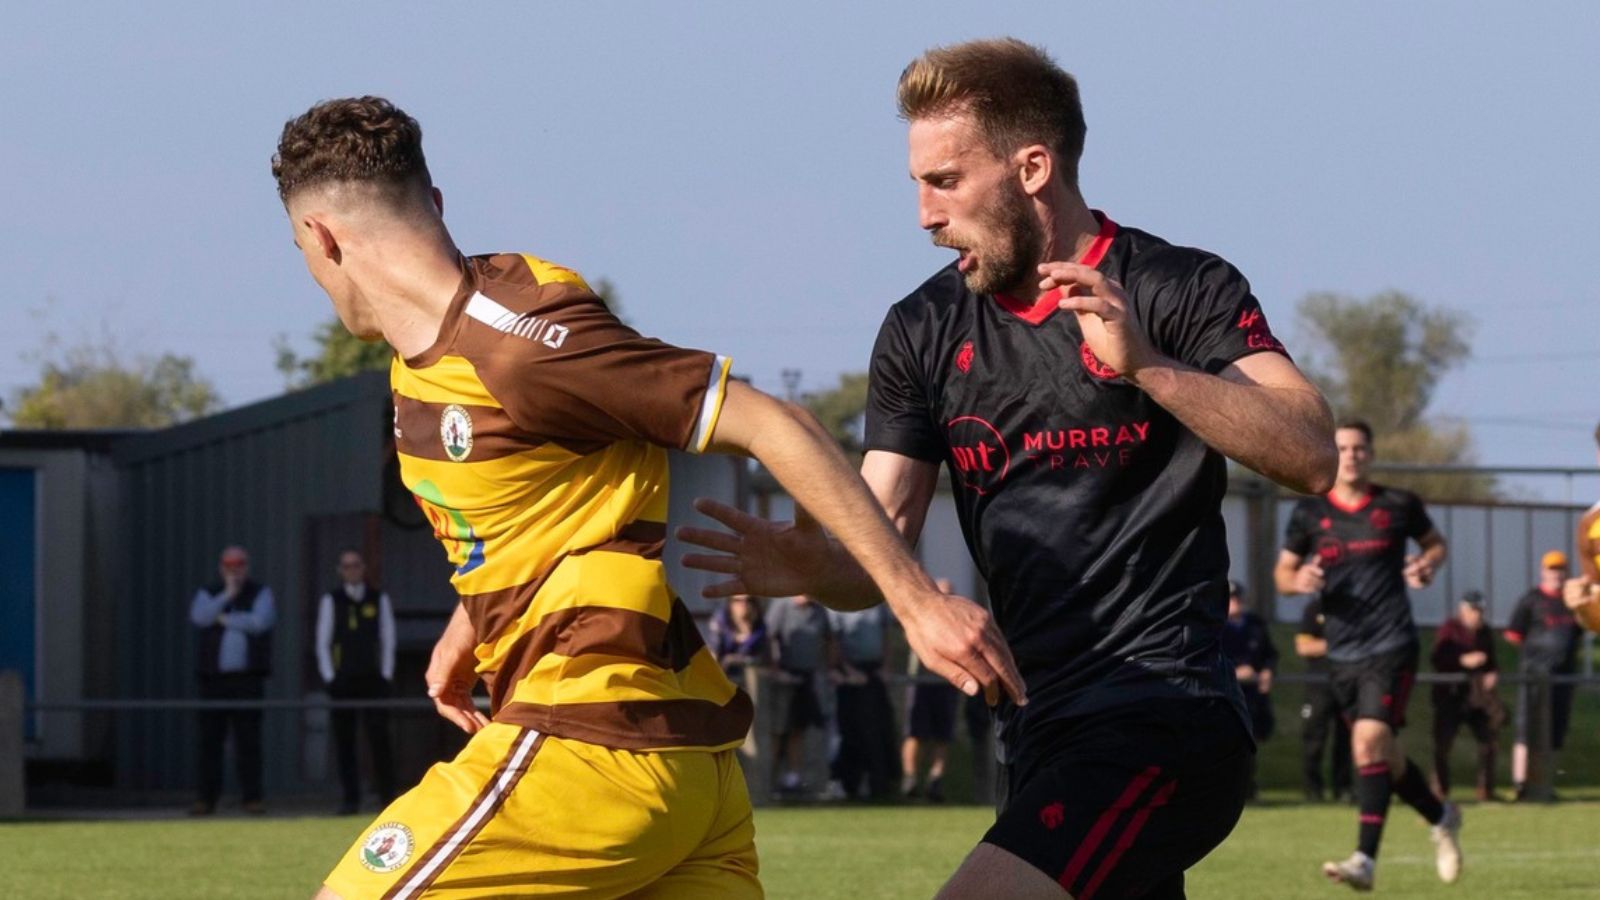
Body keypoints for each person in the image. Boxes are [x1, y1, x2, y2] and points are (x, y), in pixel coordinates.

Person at [274, 97, 1021, 900]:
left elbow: (774, 423)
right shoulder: (437, 352)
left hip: (597, 748)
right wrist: (472, 626)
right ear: (437, 204)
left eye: (301, 254)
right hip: (687, 767)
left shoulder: (519, 341)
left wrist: (915, 602)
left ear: (321, 238)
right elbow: (559, 500)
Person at [682, 38, 1337, 899]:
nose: (922, 212)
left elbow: (1313, 452)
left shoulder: (1177, 286)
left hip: (1162, 716)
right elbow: (877, 548)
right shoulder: (921, 329)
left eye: (945, 181)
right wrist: (816, 563)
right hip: (1031, 729)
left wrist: (1149, 367)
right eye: (917, 183)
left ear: (1032, 167)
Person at [1276, 420, 1458, 889]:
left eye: (1359, 448)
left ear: (1372, 453)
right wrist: (1299, 583)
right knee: (1385, 753)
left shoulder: (1398, 504)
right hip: (1342, 651)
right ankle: (1441, 816)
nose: (1351, 455)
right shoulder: (1309, 513)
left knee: (1367, 742)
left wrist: (1426, 565)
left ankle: (1364, 861)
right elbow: (1283, 574)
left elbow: (1436, 545)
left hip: (1391, 643)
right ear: (1331, 454)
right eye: (1342, 448)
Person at [188, 545, 275, 816]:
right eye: (229, 566)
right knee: (209, 742)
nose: (234, 571)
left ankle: (252, 798)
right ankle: (206, 799)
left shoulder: (261, 593)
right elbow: (200, 617)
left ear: (246, 567)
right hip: (213, 680)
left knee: (248, 741)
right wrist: (227, 596)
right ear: (221, 568)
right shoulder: (210, 591)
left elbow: (260, 622)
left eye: (238, 566)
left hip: (247, 680)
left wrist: (225, 618)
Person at [314, 550, 398, 815]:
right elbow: (323, 642)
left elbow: (387, 638)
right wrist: (330, 677)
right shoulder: (332, 600)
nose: (352, 570)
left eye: (356, 565)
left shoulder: (378, 598)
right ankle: (351, 799)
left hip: (372, 680)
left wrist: (385, 674)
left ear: (363, 569)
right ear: (340, 570)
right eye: (346, 566)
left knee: (379, 739)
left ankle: (387, 798)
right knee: (345, 741)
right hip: (343, 681)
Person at [1506, 551, 1584, 800]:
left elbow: (1583, 630)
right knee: (1526, 730)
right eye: (1552, 569)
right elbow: (1514, 635)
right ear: (1543, 571)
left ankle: (1545, 785)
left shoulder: (1572, 603)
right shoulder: (1532, 599)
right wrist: (1536, 657)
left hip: (1563, 677)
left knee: (1555, 732)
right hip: (1534, 677)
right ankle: (1521, 784)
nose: (1556, 574)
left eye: (1560, 569)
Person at [1429, 591, 1503, 802]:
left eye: (1480, 611)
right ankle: (1439, 790)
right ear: (1462, 610)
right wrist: (1462, 660)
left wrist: (1492, 673)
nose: (1477, 615)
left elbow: (1491, 661)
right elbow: (1437, 657)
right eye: (1473, 610)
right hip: (1450, 695)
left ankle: (1485, 790)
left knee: (1489, 741)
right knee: (1442, 744)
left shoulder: (1485, 633)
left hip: (1477, 697)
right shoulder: (1449, 630)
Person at [826, 602, 900, 800]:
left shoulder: (878, 603)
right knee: (851, 731)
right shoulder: (836, 603)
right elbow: (834, 641)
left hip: (874, 674)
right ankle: (850, 783)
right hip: (849, 677)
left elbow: (887, 637)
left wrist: (886, 667)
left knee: (879, 730)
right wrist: (847, 670)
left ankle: (880, 783)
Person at [765, 594, 834, 799]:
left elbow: (829, 640)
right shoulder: (781, 605)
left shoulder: (819, 609)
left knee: (799, 728)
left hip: (809, 678)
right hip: (783, 678)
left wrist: (829, 668)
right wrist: (776, 670)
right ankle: (769, 779)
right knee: (778, 729)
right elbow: (769, 637)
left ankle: (795, 778)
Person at [1220, 581, 1278, 801]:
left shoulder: (1255, 624)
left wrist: (1267, 672)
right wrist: (1234, 672)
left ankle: (1249, 788)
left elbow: (1270, 654)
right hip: (1226, 695)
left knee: (1251, 742)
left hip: (1253, 696)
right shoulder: (1215, 626)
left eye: (1237, 598)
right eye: (1230, 598)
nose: (1235, 602)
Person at [1296, 596, 1353, 803]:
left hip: (1347, 683)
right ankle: (1312, 789)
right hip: (1318, 685)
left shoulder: (1352, 609)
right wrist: (1339, 644)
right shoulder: (1314, 608)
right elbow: (1303, 647)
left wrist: (1325, 644)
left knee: (1346, 740)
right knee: (1313, 739)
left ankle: (1343, 788)